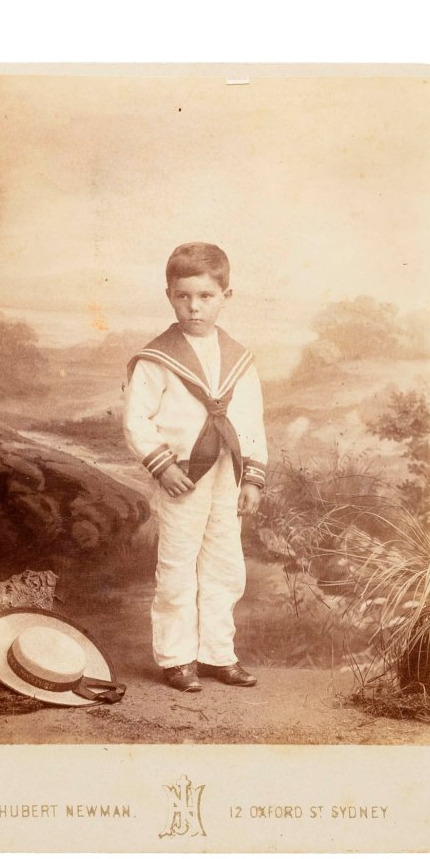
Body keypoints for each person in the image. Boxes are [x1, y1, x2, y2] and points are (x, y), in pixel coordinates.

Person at [123, 242, 268, 692]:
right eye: (183, 296)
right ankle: (177, 657)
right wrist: (162, 467)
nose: (194, 307)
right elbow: (136, 419)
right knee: (177, 566)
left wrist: (252, 478)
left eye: (206, 296)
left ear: (226, 296)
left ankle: (217, 654)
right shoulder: (158, 359)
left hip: (226, 474)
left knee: (225, 564)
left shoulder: (239, 359)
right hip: (182, 475)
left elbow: (251, 421)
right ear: (169, 295)